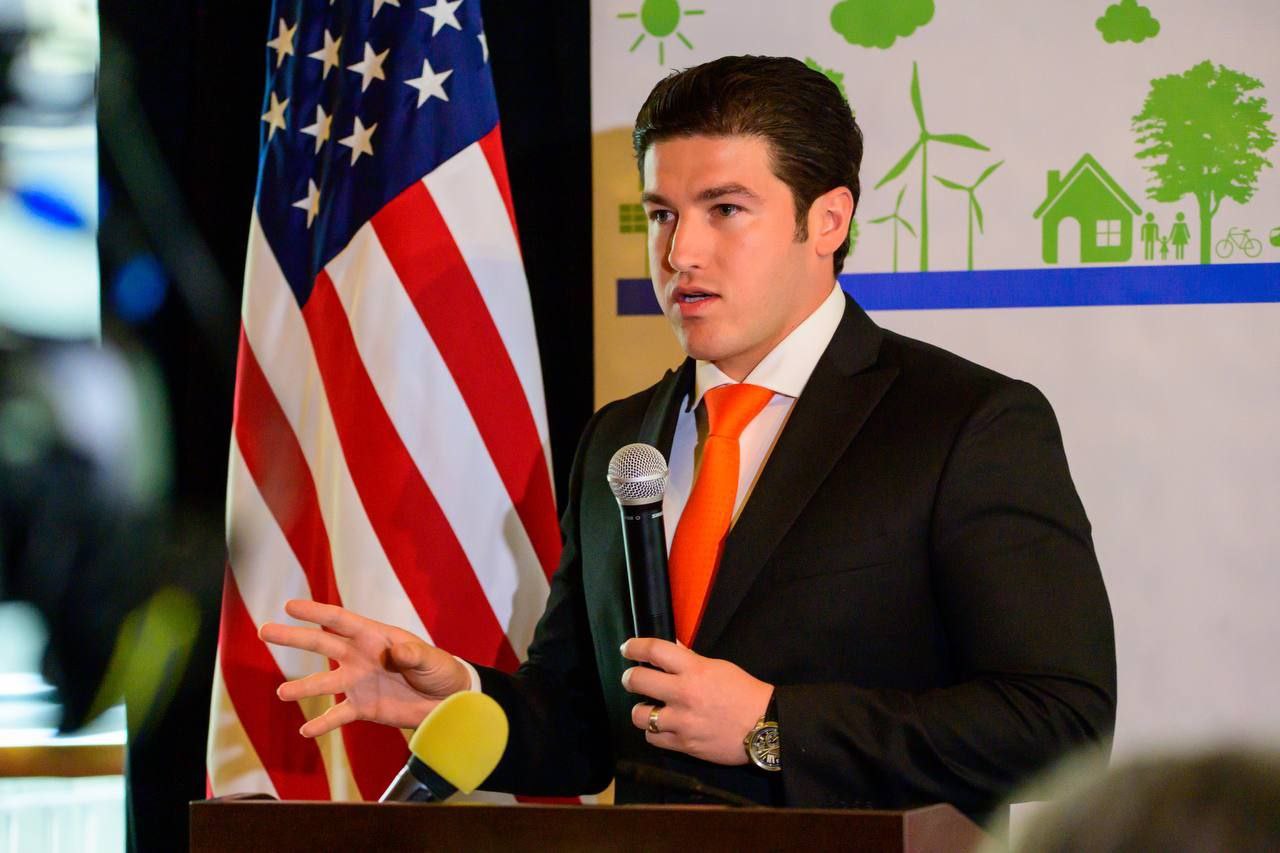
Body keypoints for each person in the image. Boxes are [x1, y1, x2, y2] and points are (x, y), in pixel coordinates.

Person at [261, 55, 1115, 820]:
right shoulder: (619, 438)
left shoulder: (967, 423)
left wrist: (772, 727)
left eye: (725, 209)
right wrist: (462, 694)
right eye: (662, 214)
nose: (680, 254)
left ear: (827, 220)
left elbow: (1062, 724)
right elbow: (589, 730)